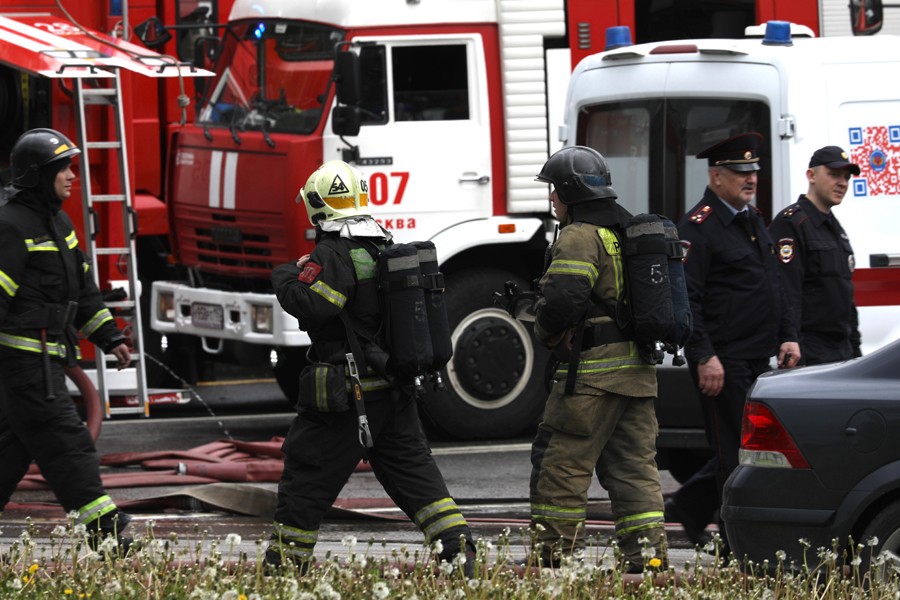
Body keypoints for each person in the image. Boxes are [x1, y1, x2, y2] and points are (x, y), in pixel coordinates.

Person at [264, 160, 475, 575]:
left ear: (318, 205)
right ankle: (459, 554)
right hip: (393, 391)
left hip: (346, 397)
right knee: (416, 478)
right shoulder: (382, 244)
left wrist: (285, 274)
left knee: (306, 480)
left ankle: (284, 568)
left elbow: (314, 304)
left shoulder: (333, 252)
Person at [528, 146, 667, 573]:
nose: (552, 198)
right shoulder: (627, 229)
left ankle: (554, 557)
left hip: (591, 376)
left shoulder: (579, 234)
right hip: (638, 374)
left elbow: (562, 301)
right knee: (634, 469)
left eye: (554, 189)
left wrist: (545, 332)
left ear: (570, 191)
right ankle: (649, 560)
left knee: (561, 463)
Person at [0, 128, 134, 552]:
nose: (72, 175)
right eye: (63, 168)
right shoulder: (10, 225)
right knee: (67, 443)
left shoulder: (59, 223)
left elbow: (83, 291)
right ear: (39, 175)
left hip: (47, 360)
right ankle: (106, 534)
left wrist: (109, 337)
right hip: (25, 364)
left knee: (10, 451)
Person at [664, 132, 800, 550]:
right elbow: (686, 300)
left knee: (761, 453)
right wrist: (704, 355)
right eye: (741, 172)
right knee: (734, 454)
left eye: (753, 171)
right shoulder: (699, 227)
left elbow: (774, 284)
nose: (751, 179)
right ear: (717, 176)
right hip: (724, 361)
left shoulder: (752, 220)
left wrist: (788, 336)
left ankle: (694, 507)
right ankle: (733, 544)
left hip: (759, 359)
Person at [768, 146, 862, 365]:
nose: (842, 183)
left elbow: (845, 294)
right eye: (834, 174)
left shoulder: (834, 227)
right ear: (811, 175)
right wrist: (790, 339)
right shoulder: (791, 223)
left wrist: (856, 350)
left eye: (846, 177)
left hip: (842, 348)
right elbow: (787, 291)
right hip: (809, 348)